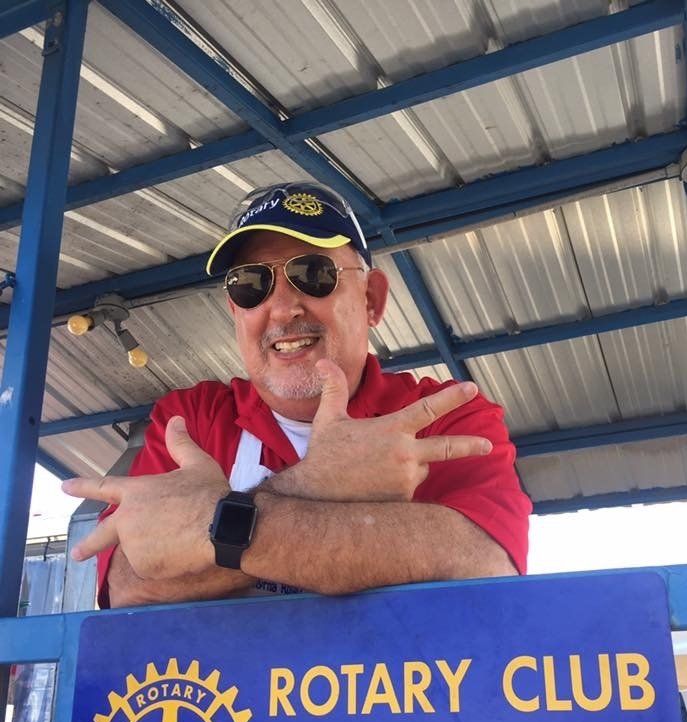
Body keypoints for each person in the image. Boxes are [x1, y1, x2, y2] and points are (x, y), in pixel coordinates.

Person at [62, 181, 532, 608]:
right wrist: (318, 484)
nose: (282, 309)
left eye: (313, 273)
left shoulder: (443, 414)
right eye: (251, 285)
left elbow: (483, 561)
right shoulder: (191, 420)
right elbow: (128, 585)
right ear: (234, 309)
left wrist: (208, 528)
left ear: (371, 300)